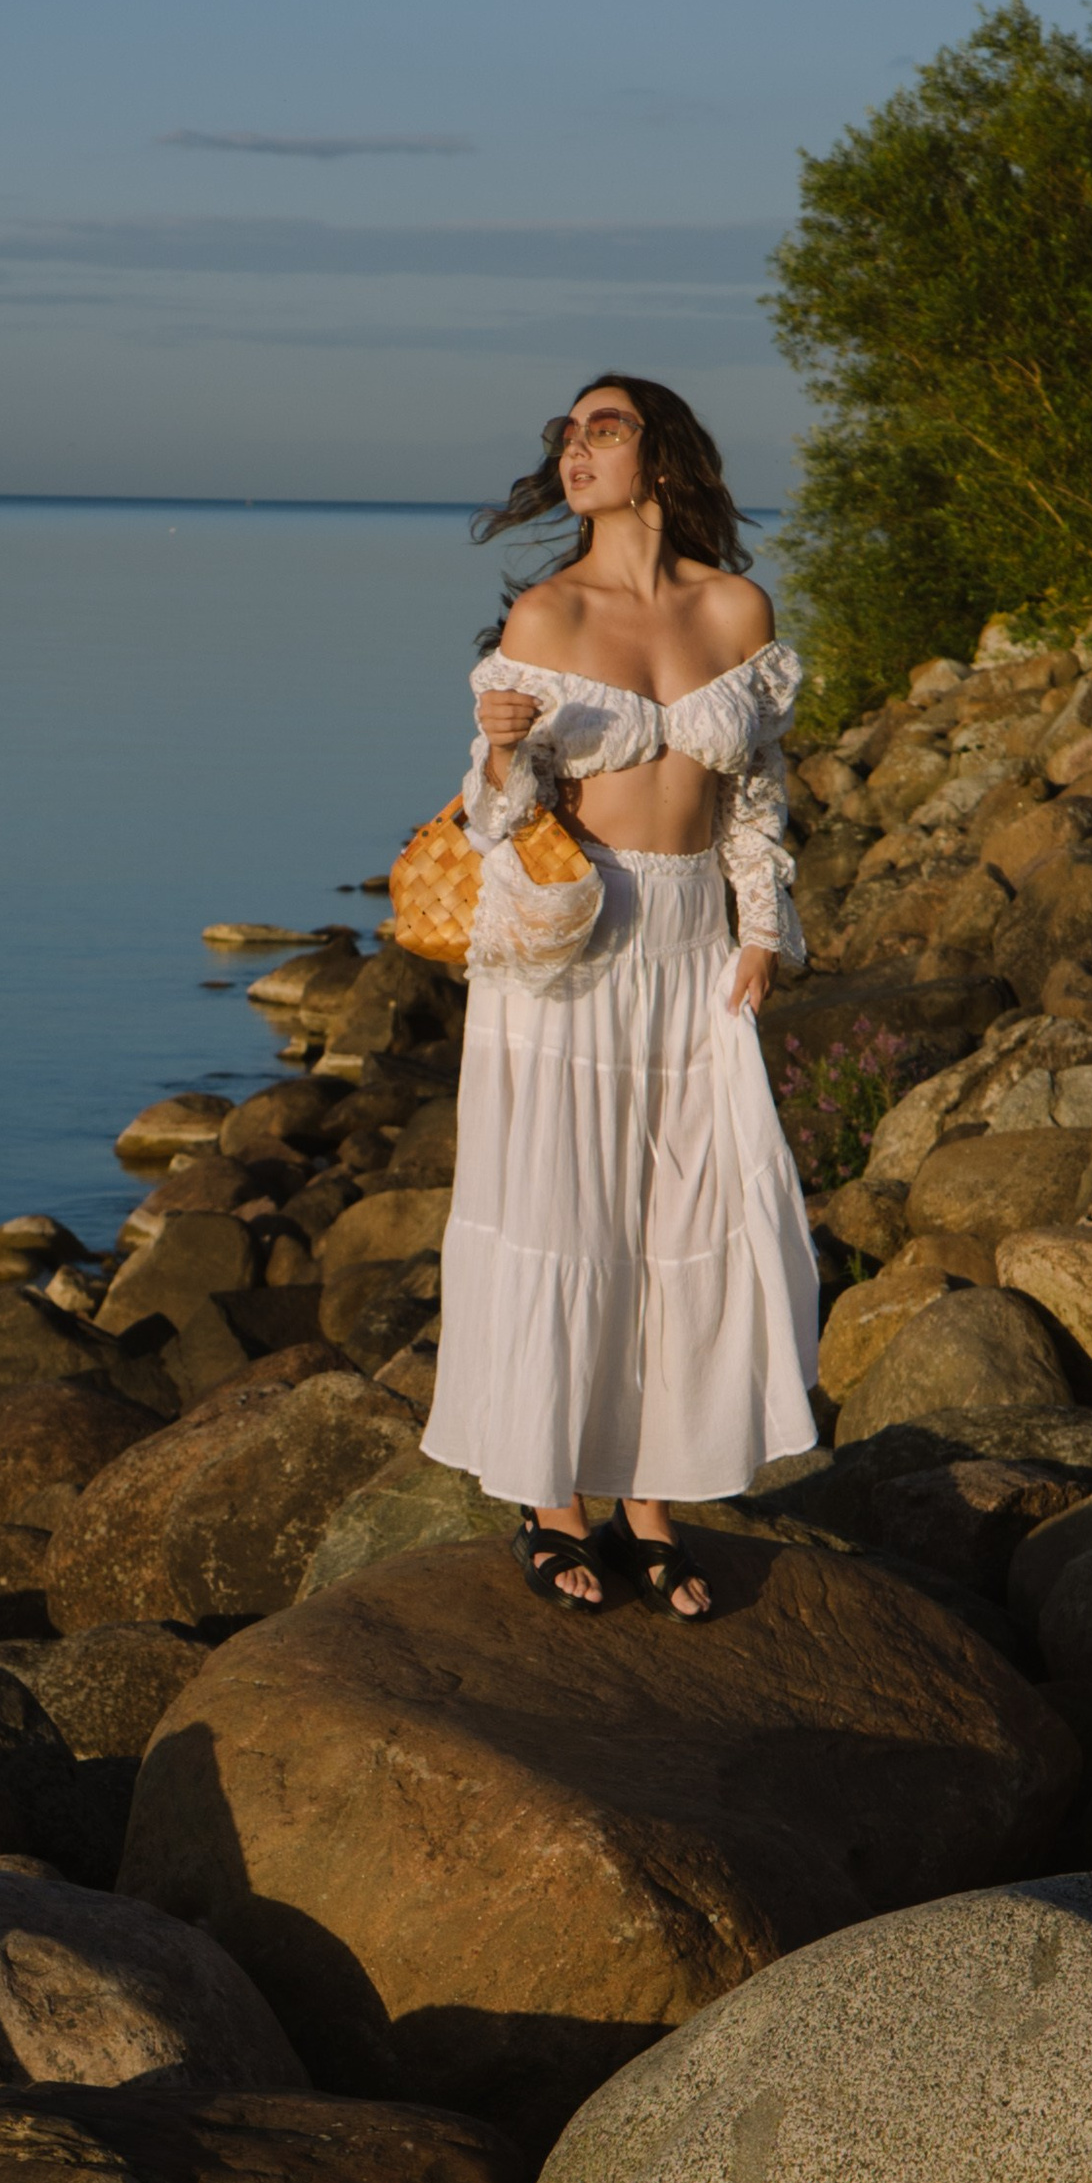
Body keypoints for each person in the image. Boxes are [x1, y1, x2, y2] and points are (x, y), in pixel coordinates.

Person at [419, 373, 821, 1616]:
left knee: (685, 1220)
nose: (575, 450)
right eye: (567, 436)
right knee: (563, 1214)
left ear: (664, 457)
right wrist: (500, 747)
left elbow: (756, 790)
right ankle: (551, 1504)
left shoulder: (736, 608)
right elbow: (496, 819)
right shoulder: (546, 616)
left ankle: (653, 1499)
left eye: (604, 429)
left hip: (693, 948)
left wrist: (762, 929)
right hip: (570, 959)